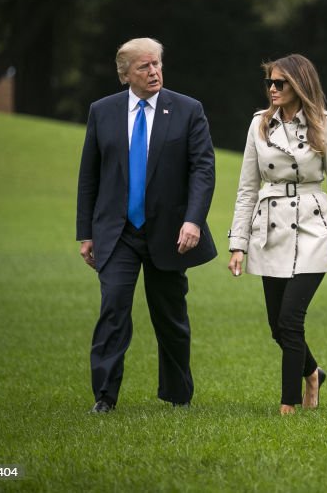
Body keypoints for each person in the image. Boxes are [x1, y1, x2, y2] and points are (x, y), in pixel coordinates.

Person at [77, 37, 217, 413]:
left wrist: (193, 221)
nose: (154, 72)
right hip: (117, 232)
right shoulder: (102, 112)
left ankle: (178, 395)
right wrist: (85, 233)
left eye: (156, 64)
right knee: (113, 309)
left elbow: (203, 169)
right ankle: (104, 396)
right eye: (144, 67)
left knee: (170, 316)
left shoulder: (188, 110)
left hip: (171, 233)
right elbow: (89, 176)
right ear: (125, 75)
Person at [227, 54, 327, 415]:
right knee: (276, 327)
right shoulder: (259, 125)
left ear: (300, 84)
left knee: (290, 320)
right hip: (269, 229)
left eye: (280, 83)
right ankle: (313, 372)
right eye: (269, 82)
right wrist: (237, 244)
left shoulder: (325, 125)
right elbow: (246, 189)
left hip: (313, 227)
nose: (272, 89)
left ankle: (288, 404)